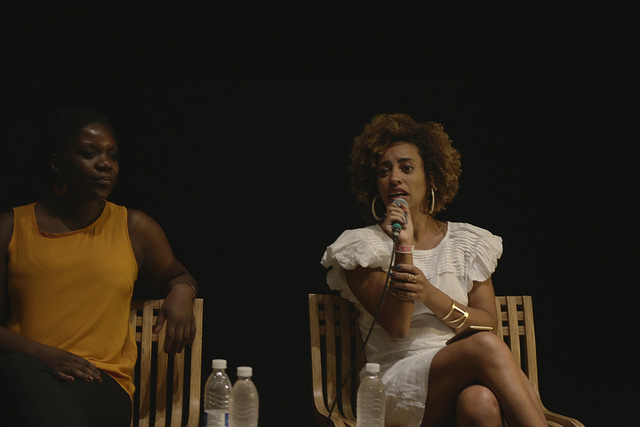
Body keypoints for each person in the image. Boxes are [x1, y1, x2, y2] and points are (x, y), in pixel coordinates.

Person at [321, 113, 546, 427]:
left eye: (406, 168)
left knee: (479, 402)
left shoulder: (468, 241)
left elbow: (487, 322)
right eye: (384, 171)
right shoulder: (361, 247)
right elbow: (398, 326)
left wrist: (430, 294)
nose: (394, 178)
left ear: (432, 178)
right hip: (394, 381)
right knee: (484, 347)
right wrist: (403, 246)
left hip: (460, 372)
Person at [0, 107, 198, 427]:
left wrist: (183, 290)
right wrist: (44, 355)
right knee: (17, 375)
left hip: (99, 381)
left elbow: (176, 274)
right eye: (89, 153)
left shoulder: (134, 227)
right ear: (57, 163)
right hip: (26, 374)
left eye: (112, 155)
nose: (105, 163)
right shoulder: (11, 228)